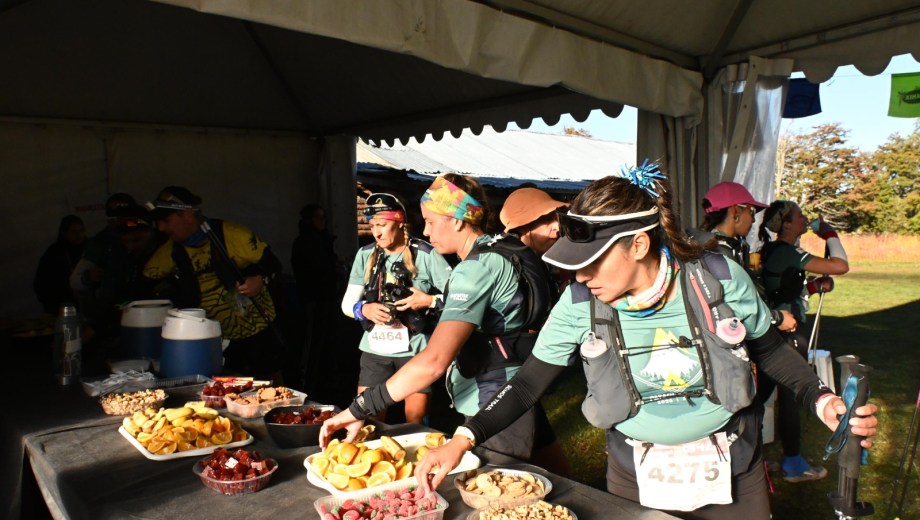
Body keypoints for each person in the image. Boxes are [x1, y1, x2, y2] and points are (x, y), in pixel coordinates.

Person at [414, 164, 877, 519]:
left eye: (593, 260)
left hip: (735, 473)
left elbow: (769, 349)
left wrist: (821, 399)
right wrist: (461, 440)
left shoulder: (717, 278)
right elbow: (529, 383)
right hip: (635, 478)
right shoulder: (579, 302)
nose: (580, 275)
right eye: (575, 262)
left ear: (638, 245)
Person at [321, 175, 570, 475]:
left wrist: (360, 407)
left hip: (492, 399)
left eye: (431, 221)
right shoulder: (502, 248)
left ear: (457, 220)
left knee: (495, 495)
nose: (425, 230)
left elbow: (433, 362)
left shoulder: (474, 268)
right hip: (518, 387)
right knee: (563, 482)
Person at [142, 186, 285, 380]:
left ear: (187, 214)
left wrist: (260, 279)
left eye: (166, 221)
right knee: (226, 390)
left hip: (256, 331)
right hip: (210, 338)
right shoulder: (170, 252)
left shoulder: (232, 234)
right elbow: (144, 283)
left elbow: (273, 263)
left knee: (270, 387)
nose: (161, 228)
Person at [757, 200, 849, 482]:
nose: (805, 219)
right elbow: (840, 265)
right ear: (785, 224)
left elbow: (782, 287)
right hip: (786, 331)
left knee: (759, 396)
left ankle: (752, 456)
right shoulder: (786, 251)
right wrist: (830, 234)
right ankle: (793, 464)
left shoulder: (776, 250)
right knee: (790, 394)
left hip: (776, 327)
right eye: (799, 216)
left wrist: (813, 286)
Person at [339, 193, 452, 424]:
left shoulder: (426, 253)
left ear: (400, 223)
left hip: (415, 348)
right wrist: (365, 309)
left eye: (382, 225)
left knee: (415, 419)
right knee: (369, 418)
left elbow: (458, 299)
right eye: (372, 226)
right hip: (375, 349)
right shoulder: (365, 254)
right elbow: (346, 304)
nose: (376, 232)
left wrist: (428, 301)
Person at [696, 182, 795, 332]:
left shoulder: (719, 246)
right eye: (752, 211)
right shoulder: (718, 254)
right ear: (735, 211)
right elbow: (732, 307)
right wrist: (777, 318)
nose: (754, 220)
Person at [291, 203, 343, 393]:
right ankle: (305, 381)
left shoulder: (324, 240)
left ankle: (324, 379)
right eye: (318, 217)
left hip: (327, 297)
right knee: (311, 340)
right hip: (312, 298)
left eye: (323, 217)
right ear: (309, 220)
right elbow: (308, 271)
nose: (322, 221)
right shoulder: (304, 243)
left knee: (328, 338)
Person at [34, 215, 86, 313]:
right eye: (73, 231)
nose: (78, 235)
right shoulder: (54, 253)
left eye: (81, 230)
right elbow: (42, 284)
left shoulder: (91, 249)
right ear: (64, 233)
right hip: (65, 307)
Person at [499, 187, 567, 256]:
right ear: (522, 227)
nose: (557, 227)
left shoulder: (553, 259)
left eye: (557, 219)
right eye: (547, 219)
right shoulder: (502, 262)